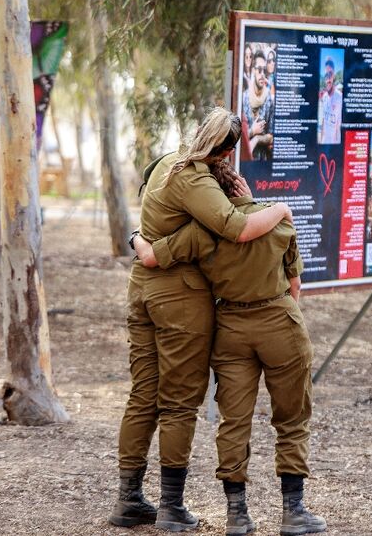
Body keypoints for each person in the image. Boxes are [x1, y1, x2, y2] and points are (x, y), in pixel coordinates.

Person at [109, 108, 294, 532]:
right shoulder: (195, 178)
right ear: (225, 149)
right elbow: (236, 227)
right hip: (179, 298)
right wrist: (281, 208)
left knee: (143, 394)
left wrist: (144, 244)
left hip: (142, 289)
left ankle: (129, 499)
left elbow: (159, 226)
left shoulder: (165, 164)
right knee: (178, 402)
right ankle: (170, 507)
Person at [134, 160, 326, 536]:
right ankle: (293, 511)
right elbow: (295, 285)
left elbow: (152, 256)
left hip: (231, 331)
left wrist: (135, 237)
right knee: (292, 419)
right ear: (239, 185)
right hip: (279, 323)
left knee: (234, 422)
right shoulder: (278, 222)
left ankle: (237, 515)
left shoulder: (204, 231)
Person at [241, 49, 275, 162]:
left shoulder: (269, 100)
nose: (262, 74)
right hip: (245, 164)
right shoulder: (243, 99)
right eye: (259, 70)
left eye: (264, 70)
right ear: (253, 70)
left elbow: (271, 136)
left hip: (262, 165)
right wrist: (252, 131)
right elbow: (236, 136)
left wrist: (256, 139)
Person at [318, 57, 342, 145]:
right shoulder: (324, 97)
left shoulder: (340, 98)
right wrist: (320, 140)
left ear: (334, 76)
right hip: (324, 142)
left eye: (330, 74)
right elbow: (324, 120)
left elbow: (339, 127)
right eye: (326, 75)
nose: (328, 79)